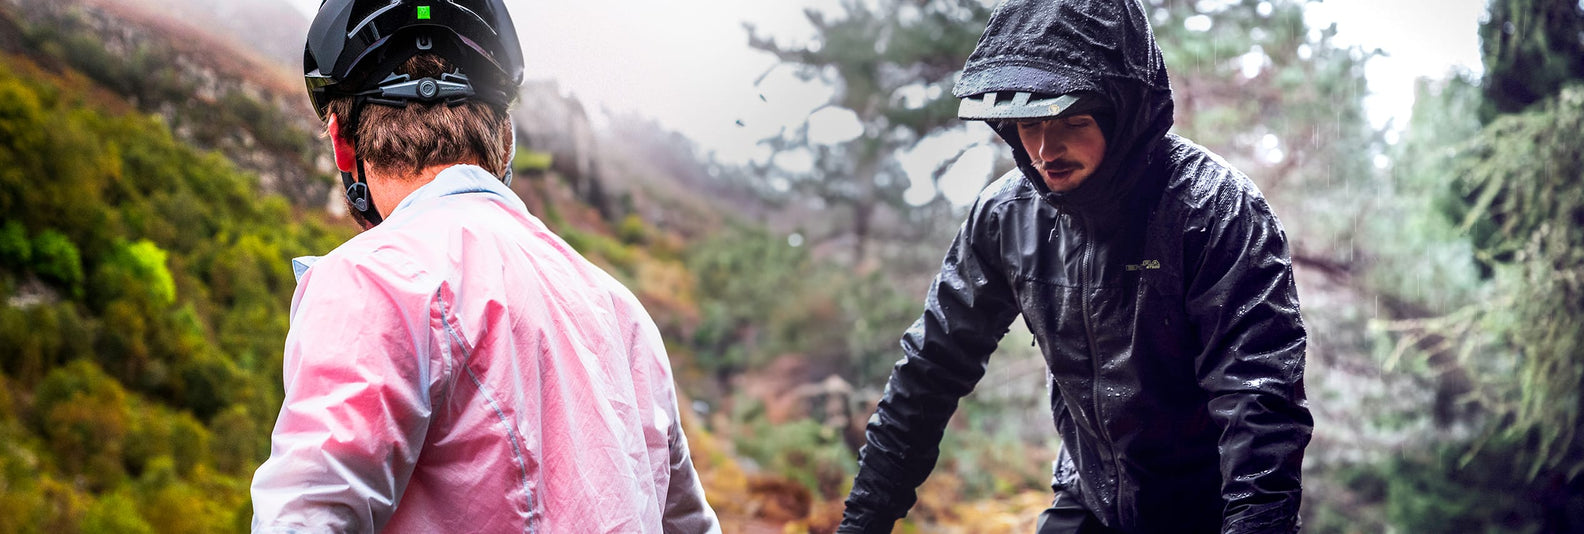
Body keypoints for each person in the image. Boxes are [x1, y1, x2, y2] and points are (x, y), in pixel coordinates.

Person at [838, 0, 1313, 533]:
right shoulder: (1006, 215)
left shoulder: (1215, 209)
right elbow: (929, 374)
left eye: (1073, 121)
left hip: (1213, 510)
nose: (1046, 149)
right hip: (1089, 499)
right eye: (1028, 124)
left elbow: (1260, 404)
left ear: (1123, 115)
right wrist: (861, 524)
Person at [250, 1, 722, 532]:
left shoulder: (372, 279)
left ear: (341, 144)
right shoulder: (620, 311)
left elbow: (304, 518)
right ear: (507, 138)